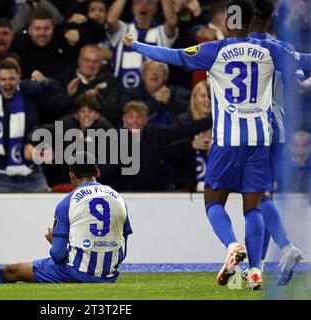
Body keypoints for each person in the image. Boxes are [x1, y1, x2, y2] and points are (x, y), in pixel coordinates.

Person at [123, 0, 311, 290]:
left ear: (228, 22)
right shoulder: (271, 50)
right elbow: (304, 60)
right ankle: (256, 270)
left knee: (213, 200)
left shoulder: (215, 49)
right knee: (254, 206)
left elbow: (172, 55)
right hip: (260, 138)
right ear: (250, 22)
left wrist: (136, 46)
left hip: (226, 140)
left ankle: (232, 244)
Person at [0, 151, 133, 284]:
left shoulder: (67, 202)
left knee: (12, 270)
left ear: (71, 175)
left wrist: (55, 242)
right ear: (97, 172)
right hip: (109, 276)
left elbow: (58, 256)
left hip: (75, 273)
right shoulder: (118, 198)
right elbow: (123, 250)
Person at [248, 0, 303, 286]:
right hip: (277, 126)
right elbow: (300, 85)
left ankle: (283, 248)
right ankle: (261, 263)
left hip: (248, 127)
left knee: (254, 198)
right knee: (262, 195)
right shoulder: (282, 48)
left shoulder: (230, 48)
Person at [0, 61, 59, 192]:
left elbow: (54, 90)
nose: (8, 83)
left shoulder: (27, 89)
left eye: (12, 78)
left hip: (32, 173)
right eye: (3, 79)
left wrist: (44, 81)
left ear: (19, 78)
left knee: (44, 211)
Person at [106, 0, 178, 89]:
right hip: (122, 93)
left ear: (155, 9)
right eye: (139, 2)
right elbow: (110, 20)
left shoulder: (161, 33)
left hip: (153, 95)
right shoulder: (122, 30)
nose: (144, 6)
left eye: (149, 2)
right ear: (133, 8)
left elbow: (172, 22)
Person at [174, 80, 212, 192]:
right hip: (187, 188)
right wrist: (191, 145)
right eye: (203, 96)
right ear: (194, 98)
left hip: (217, 189)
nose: (207, 100)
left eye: (210, 96)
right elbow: (169, 151)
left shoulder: (223, 124)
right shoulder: (182, 122)